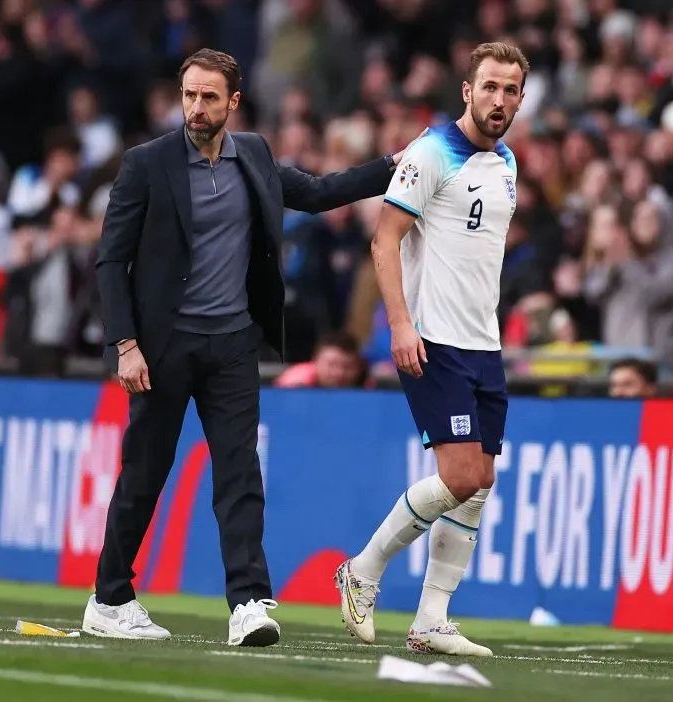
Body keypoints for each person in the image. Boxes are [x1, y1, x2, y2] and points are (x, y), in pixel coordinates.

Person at [87, 48, 406, 647]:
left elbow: (317, 193)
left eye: (209, 97)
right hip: (161, 347)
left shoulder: (253, 155)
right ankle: (108, 598)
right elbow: (111, 259)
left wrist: (395, 166)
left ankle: (248, 604)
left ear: (233, 102)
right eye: (189, 95)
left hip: (233, 344)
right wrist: (125, 344)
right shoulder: (146, 165)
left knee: (240, 473)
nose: (197, 107)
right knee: (145, 475)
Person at [334, 42, 527, 657]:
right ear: (467, 91)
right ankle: (362, 569)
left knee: (482, 479)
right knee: (461, 473)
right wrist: (399, 324)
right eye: (490, 87)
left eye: (512, 90)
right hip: (433, 338)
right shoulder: (428, 153)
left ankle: (431, 620)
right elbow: (385, 241)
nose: (500, 100)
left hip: (483, 341)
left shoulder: (508, 166)